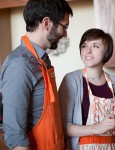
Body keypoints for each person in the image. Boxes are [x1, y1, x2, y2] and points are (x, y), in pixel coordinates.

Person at [0, 0, 73, 149]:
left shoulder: (41, 59)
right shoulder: (20, 65)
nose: (65, 34)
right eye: (64, 27)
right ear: (46, 23)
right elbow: (15, 135)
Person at [58, 28, 115, 150]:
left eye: (95, 46)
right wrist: (97, 128)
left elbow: (110, 121)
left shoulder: (113, 81)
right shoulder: (72, 80)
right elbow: (63, 127)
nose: (88, 51)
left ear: (107, 52)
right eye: (84, 46)